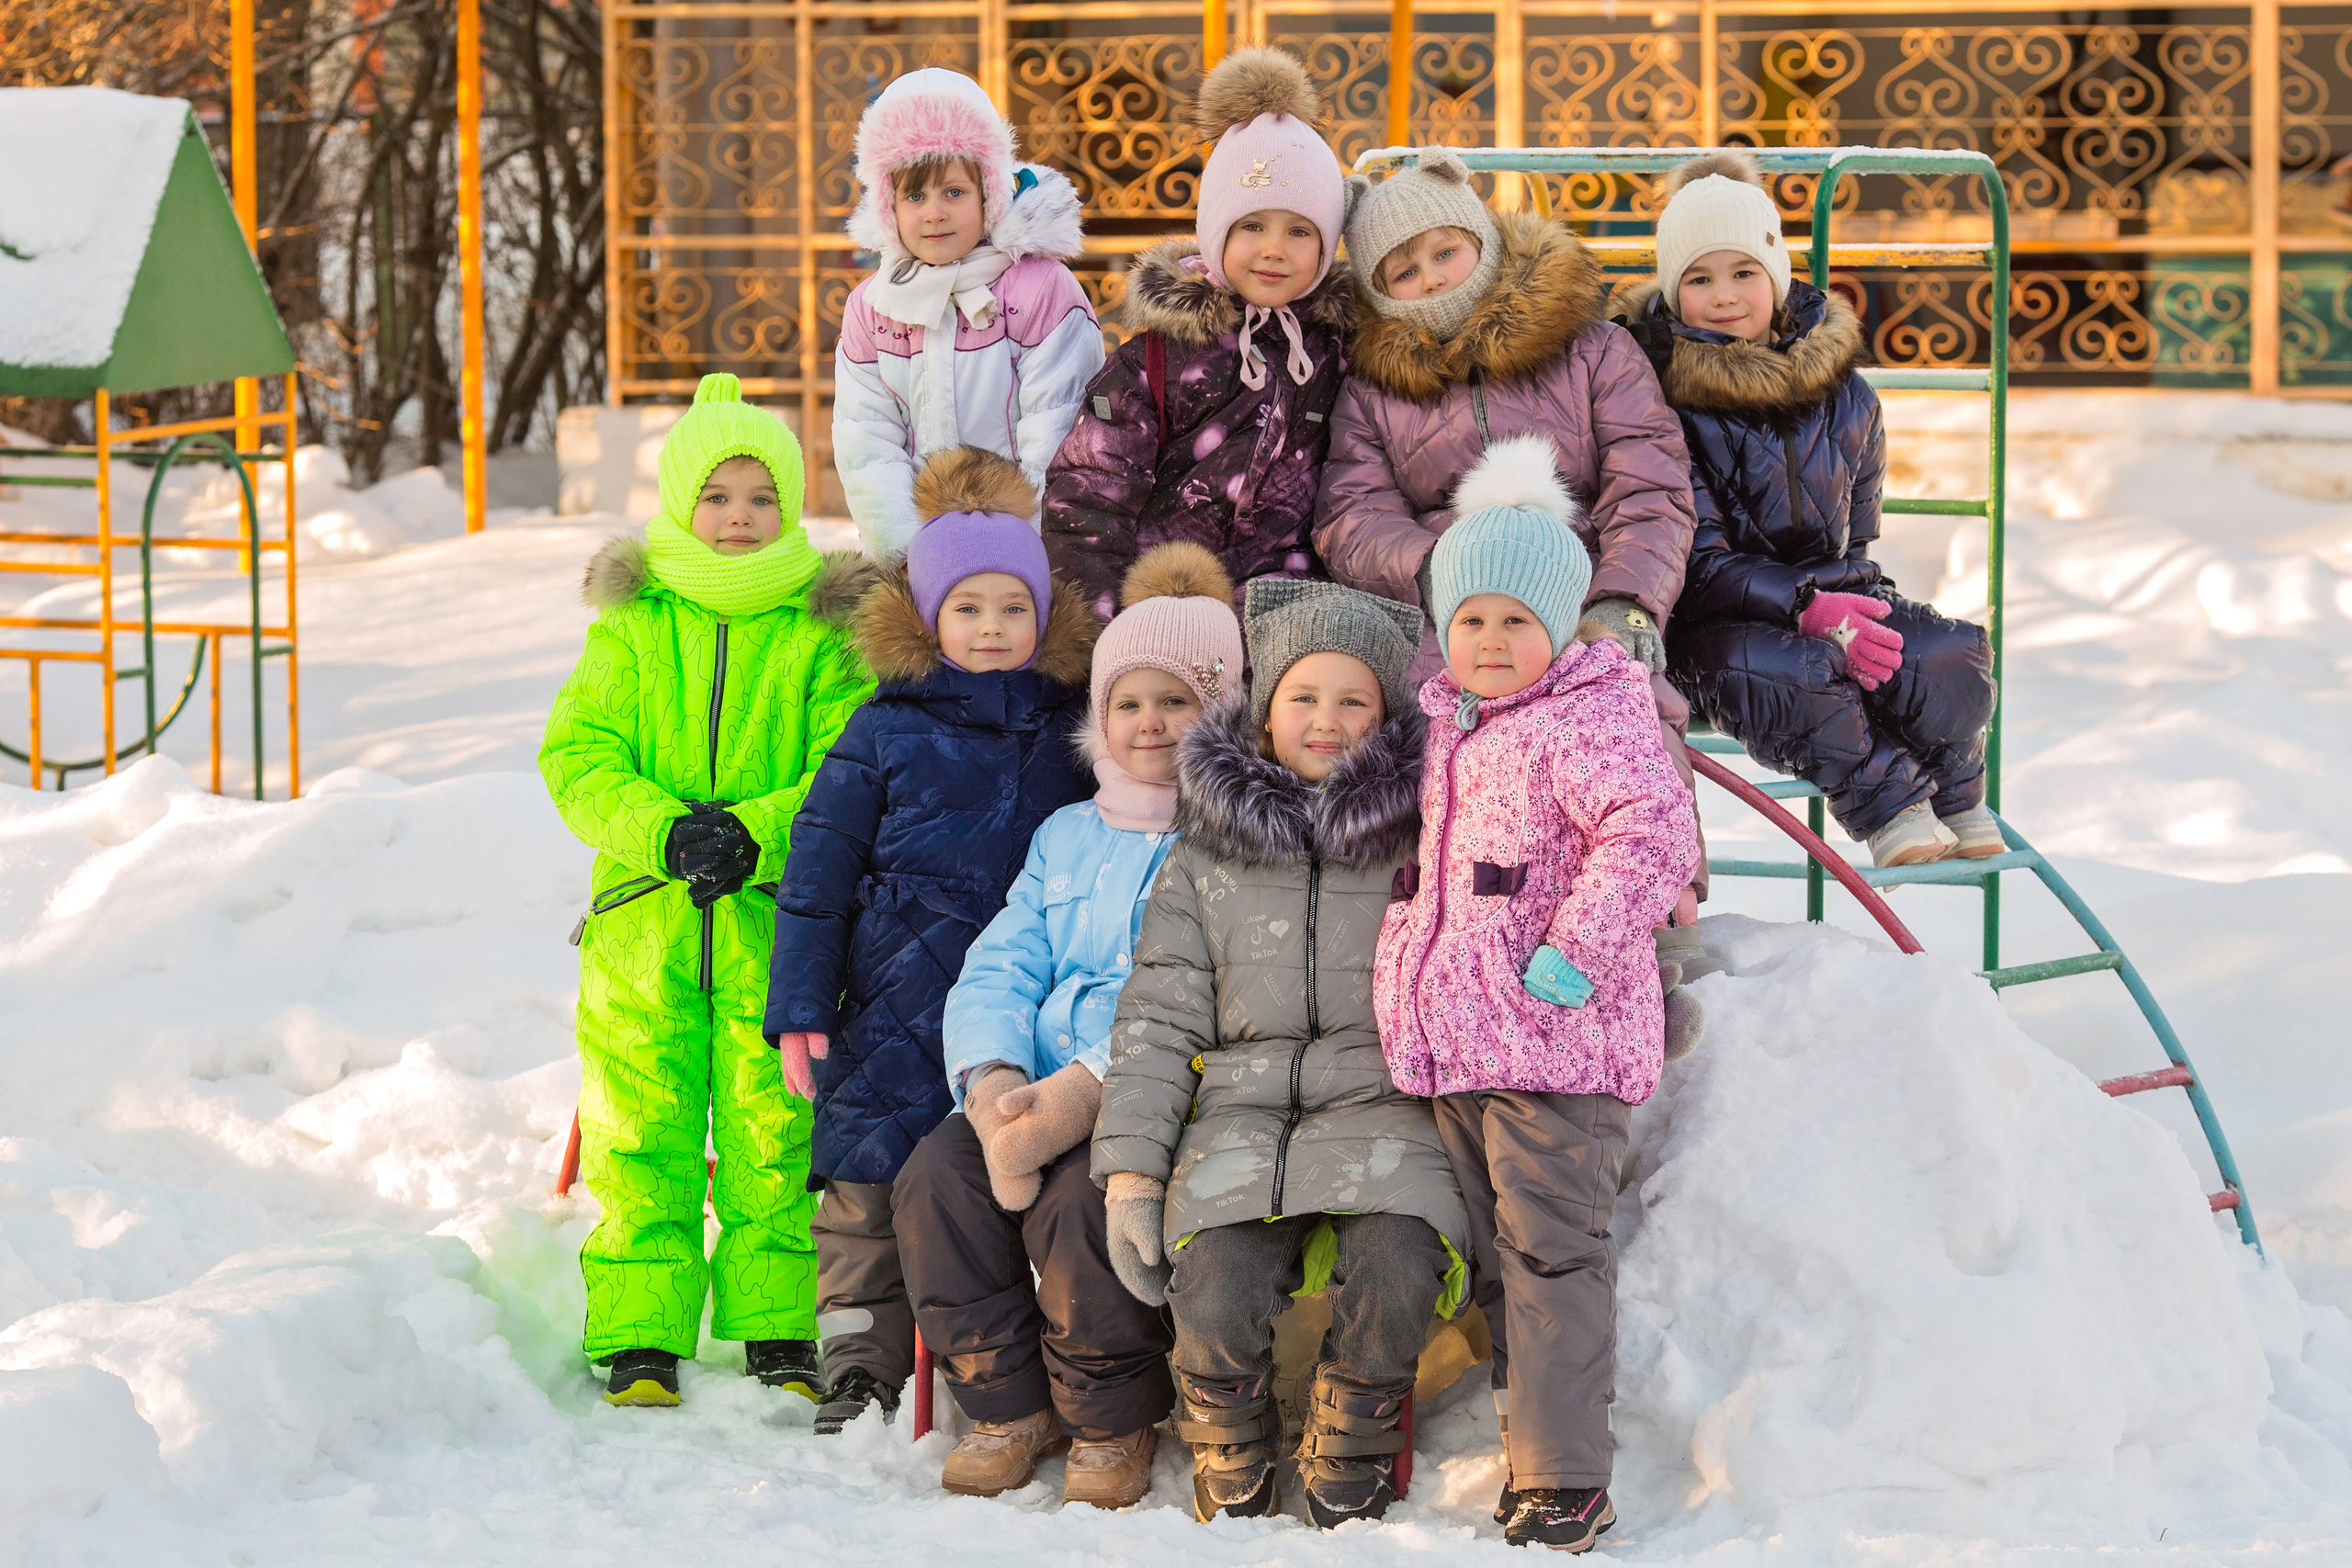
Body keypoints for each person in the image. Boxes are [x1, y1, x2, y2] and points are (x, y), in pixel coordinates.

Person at [1374, 439, 1700, 1551]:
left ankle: (1567, 1474)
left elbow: (1650, 835)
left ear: (1561, 626)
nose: (1494, 641)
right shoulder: (1451, 724)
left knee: (1555, 1255)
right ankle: (1530, 1444)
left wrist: (1571, 957)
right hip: (1463, 1050)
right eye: (1472, 621)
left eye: (1519, 621)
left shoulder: (1588, 712)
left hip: (1554, 1045)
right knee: (1499, 1259)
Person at [1092, 578, 1471, 1529]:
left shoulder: (1425, 834)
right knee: (1211, 1281)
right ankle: (1228, 1429)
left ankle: (1354, 1422)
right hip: (1236, 1115)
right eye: (1304, 696)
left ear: (1385, 719)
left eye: (1354, 700)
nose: (1326, 719)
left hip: (1386, 1108)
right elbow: (1157, 1016)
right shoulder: (1204, 855)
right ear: (1265, 716)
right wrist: (1132, 1173)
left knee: (1399, 1259)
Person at [1313, 147, 1713, 1046]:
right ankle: (1458, 956)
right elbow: (1349, 510)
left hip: (1576, 599)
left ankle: (1636, 945)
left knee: (1615, 722)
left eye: (1441, 252)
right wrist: (1433, 570)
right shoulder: (1376, 388)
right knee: (1448, 748)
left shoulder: (1593, 349)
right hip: (1447, 610)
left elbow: (1649, 485)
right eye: (1400, 272)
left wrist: (1625, 599)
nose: (1426, 279)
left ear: (1482, 241)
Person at [540, 372, 880, 1408]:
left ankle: (777, 1322)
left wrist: (753, 833)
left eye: (763, 498)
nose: (740, 519)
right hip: (642, 928)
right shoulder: (634, 624)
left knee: (773, 1126)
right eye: (719, 497)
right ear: (682, 505)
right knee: (639, 1126)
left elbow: (846, 764)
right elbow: (579, 756)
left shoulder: (821, 630)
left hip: (777, 927)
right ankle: (642, 1328)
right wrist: (666, 830)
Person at [891, 542, 1243, 1507]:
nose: (1148, 724)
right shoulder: (1068, 832)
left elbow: (1203, 994)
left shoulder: (1233, 841)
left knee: (1078, 1210)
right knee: (935, 1180)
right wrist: (996, 1075)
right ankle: (1006, 1402)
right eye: (1127, 703)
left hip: (1158, 1102)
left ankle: (1109, 1419)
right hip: (1026, 1097)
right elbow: (1005, 961)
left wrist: (1086, 1089)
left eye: (1175, 701)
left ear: (1218, 712)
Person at [765, 446, 1098, 1436]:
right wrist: (800, 1011)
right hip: (892, 992)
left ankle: (994, 1351)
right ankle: (861, 1356)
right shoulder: (882, 730)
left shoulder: (1074, 727)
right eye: (967, 609)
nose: (991, 628)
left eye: (1011, 608)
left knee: (986, 1175)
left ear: (1043, 617)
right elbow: (817, 877)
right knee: (866, 1180)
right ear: (927, 617)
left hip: (1017, 1005)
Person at [1611, 151, 1998, 867]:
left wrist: (1854, 610)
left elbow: (1858, 543)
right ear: (1673, 289)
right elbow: (1697, 561)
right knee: (1794, 675)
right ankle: (1890, 805)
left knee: (1947, 653)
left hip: (1833, 596)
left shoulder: (1846, 396)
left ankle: (1954, 789)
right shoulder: (1660, 395)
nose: (1724, 295)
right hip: (1714, 624)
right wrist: (1805, 608)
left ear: (1776, 278)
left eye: (1743, 272)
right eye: (1699, 278)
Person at [1041, 48, 1352, 615]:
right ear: (1215, 232)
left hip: (1285, 617)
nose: (1274, 249)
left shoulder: (1337, 354)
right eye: (1252, 225)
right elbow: (1092, 490)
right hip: (1163, 606)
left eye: (1301, 231)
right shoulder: (1160, 358)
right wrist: (1102, 621)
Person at [833, 67, 1102, 561]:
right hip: (920, 554)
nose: (934, 213)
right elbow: (867, 444)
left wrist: (1021, 555)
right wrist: (910, 558)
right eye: (915, 196)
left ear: (989, 195)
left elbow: (1057, 431)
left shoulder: (1039, 289)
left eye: (953, 192)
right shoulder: (872, 308)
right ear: (888, 206)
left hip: (1026, 553)